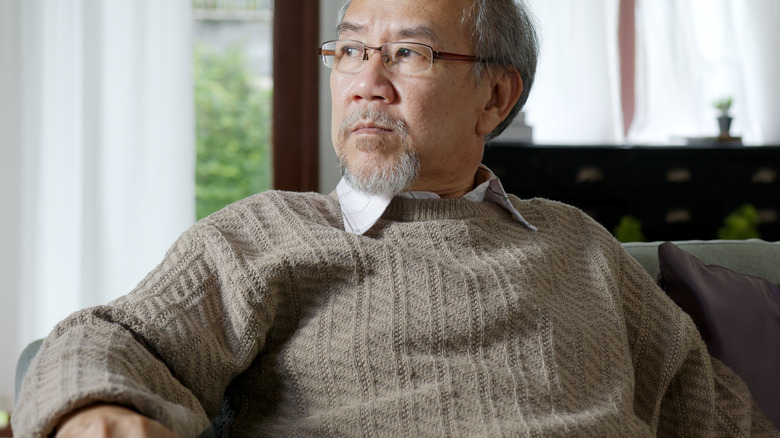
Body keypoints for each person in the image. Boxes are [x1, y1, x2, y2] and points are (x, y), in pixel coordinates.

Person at [13, 0, 777, 436]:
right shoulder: (266, 234)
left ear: (496, 96)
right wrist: (97, 409)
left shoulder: (580, 247)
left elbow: (713, 413)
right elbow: (113, 338)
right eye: (348, 53)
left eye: (407, 55)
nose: (365, 84)